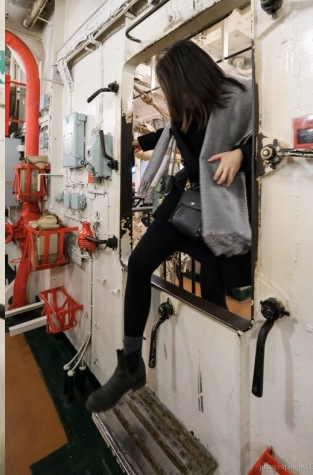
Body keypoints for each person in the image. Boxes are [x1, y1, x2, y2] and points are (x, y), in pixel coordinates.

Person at [86, 39, 253, 413]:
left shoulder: (241, 95)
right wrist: (133, 143)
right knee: (141, 262)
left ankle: (216, 373)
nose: (170, 97)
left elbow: (267, 131)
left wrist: (242, 153)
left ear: (188, 78)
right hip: (186, 203)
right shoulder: (186, 111)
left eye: (171, 87)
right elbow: (170, 131)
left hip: (221, 210)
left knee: (215, 293)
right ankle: (130, 364)